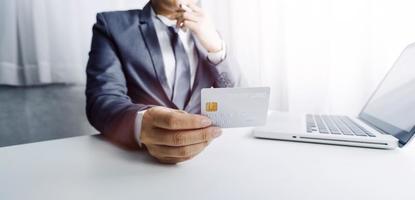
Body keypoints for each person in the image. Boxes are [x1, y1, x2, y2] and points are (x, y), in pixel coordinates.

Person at [85, 0, 244, 164]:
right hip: (139, 163)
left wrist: (216, 49)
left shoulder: (210, 32)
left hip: (210, 160)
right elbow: (102, 100)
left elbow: (240, 104)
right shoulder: (112, 25)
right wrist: (141, 124)